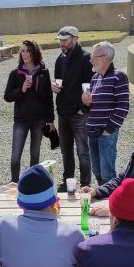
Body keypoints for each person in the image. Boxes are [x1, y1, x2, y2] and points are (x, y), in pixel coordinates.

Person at [3, 40, 56, 183]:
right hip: (21, 119)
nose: (24, 53)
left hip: (39, 120)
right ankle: (14, 182)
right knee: (15, 155)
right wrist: (21, 90)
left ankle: (32, 182)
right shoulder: (15, 73)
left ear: (34, 52)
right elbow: (7, 96)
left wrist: (50, 119)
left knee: (35, 154)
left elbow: (48, 98)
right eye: (22, 50)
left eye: (27, 50)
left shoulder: (44, 72)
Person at [80, 41, 129, 185]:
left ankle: (111, 203)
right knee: (97, 170)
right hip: (92, 131)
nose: (91, 60)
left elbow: (123, 107)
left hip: (106, 132)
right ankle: (102, 195)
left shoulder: (119, 76)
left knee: (107, 173)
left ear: (106, 58)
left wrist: (108, 130)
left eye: (94, 56)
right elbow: (89, 108)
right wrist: (86, 103)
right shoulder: (95, 78)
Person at [51, 26, 93, 190]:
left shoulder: (85, 58)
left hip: (79, 114)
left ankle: (85, 184)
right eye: (60, 40)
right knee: (65, 151)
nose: (62, 43)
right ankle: (68, 182)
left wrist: (83, 108)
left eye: (65, 40)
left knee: (83, 152)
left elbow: (89, 86)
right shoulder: (59, 60)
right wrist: (54, 88)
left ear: (75, 39)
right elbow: (59, 83)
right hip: (63, 113)